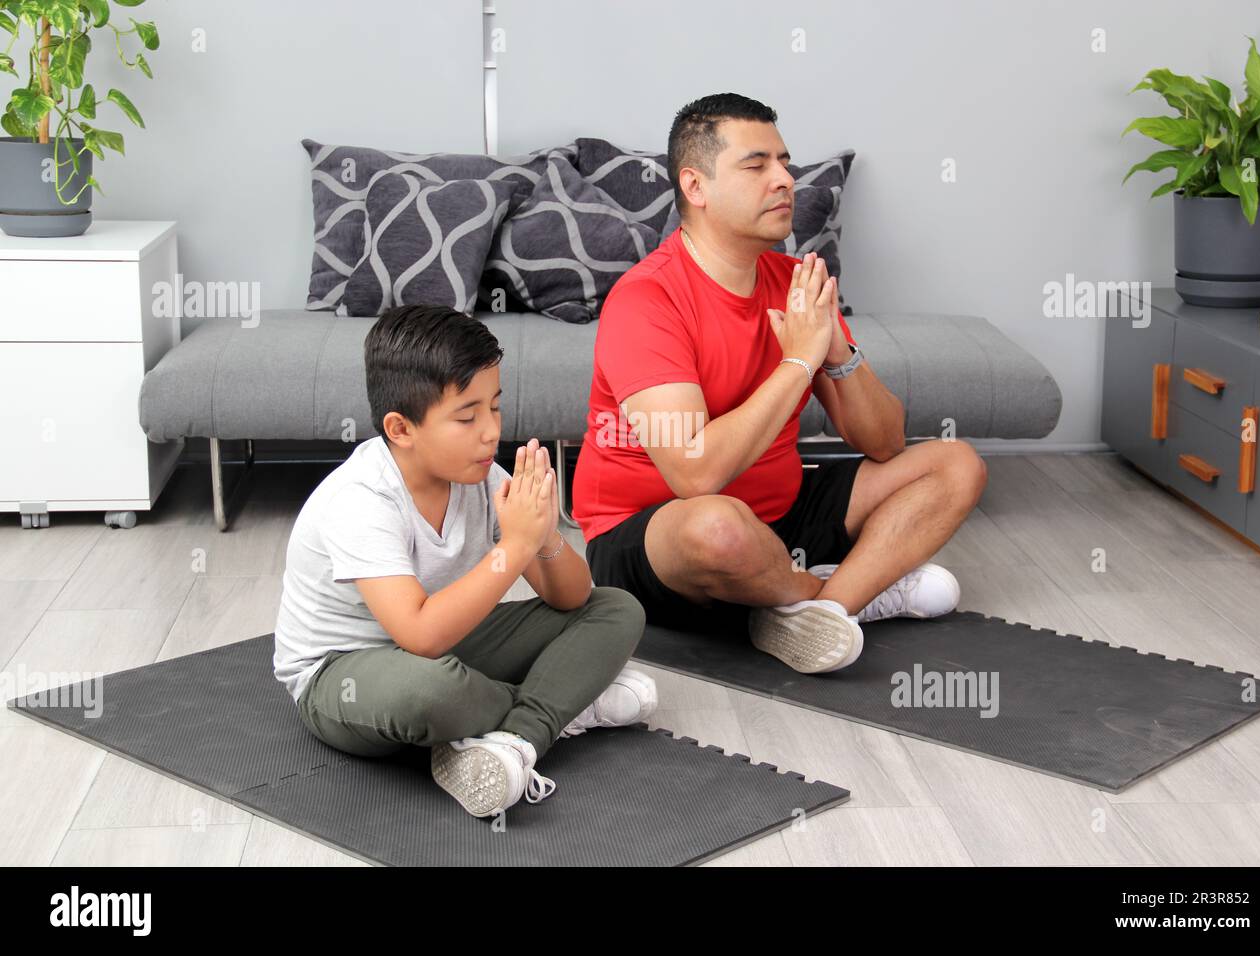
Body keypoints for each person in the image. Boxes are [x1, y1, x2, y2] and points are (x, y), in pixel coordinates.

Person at [573, 93, 987, 675]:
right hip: (659, 535)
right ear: (695, 186)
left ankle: (822, 610)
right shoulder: (648, 299)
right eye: (756, 165)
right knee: (716, 525)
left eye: (785, 162)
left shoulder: (796, 281)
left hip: (779, 511)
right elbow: (695, 475)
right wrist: (797, 361)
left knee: (955, 464)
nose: (784, 180)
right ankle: (837, 593)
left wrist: (835, 349)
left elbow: (886, 443)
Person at [273, 305, 655, 819]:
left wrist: (541, 536)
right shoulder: (361, 499)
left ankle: (517, 738)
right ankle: (561, 706)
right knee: (429, 691)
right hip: (344, 673)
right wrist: (513, 548)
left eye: (494, 407)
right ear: (401, 429)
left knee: (616, 608)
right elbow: (420, 636)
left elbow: (573, 598)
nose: (491, 431)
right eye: (467, 416)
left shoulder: (481, 477)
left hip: (451, 644)